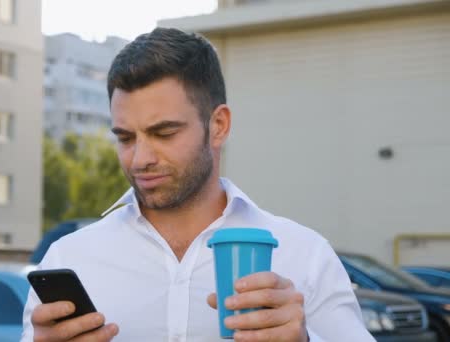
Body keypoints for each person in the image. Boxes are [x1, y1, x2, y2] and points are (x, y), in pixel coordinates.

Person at [23, 27, 374, 342]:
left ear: (219, 125)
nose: (139, 158)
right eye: (126, 137)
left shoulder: (305, 255)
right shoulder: (69, 258)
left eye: (164, 133)